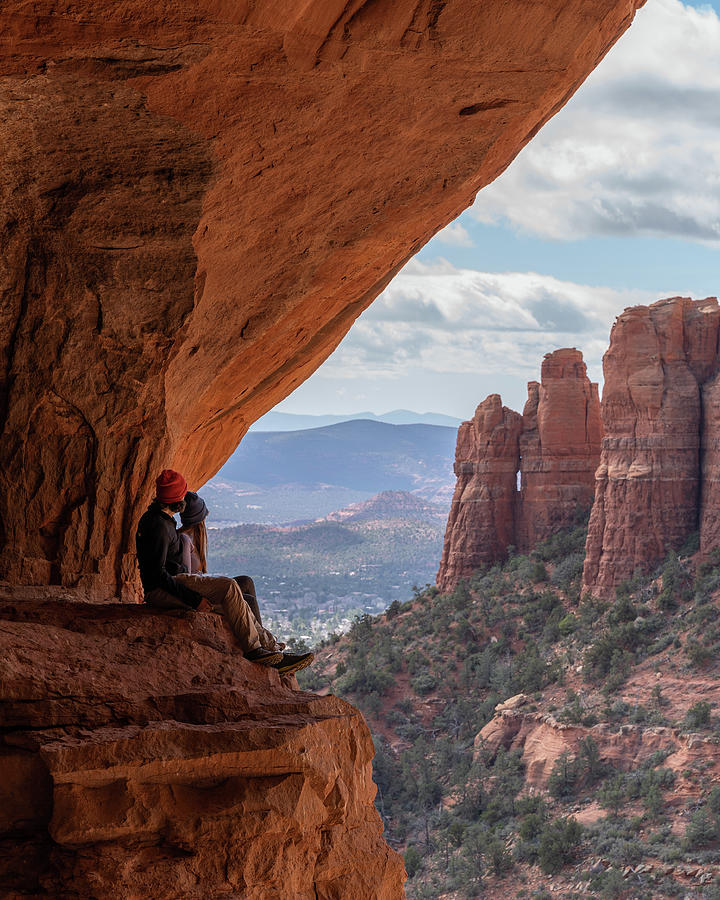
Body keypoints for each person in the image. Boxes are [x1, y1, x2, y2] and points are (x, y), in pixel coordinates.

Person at [136, 469, 313, 675]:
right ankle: (255, 650)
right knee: (229, 586)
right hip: (162, 589)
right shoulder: (157, 525)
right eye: (183, 495)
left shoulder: (160, 520)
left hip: (171, 583)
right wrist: (195, 600)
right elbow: (157, 574)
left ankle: (273, 650)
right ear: (177, 501)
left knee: (236, 597)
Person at [178, 490, 282, 648]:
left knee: (246, 582)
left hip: (203, 588)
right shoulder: (184, 539)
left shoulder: (192, 537)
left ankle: (265, 640)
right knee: (248, 600)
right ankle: (263, 646)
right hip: (198, 593)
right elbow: (186, 579)